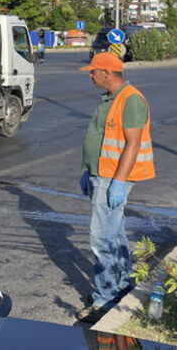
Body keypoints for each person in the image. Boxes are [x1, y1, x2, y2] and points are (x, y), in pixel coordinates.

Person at [74, 52, 155, 323]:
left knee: (102, 237)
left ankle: (106, 298)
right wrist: (89, 170)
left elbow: (133, 144)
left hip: (113, 178)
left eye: (93, 71)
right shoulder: (110, 98)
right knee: (115, 233)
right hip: (101, 174)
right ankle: (121, 285)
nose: (90, 75)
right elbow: (102, 138)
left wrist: (119, 182)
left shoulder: (131, 100)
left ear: (107, 73)